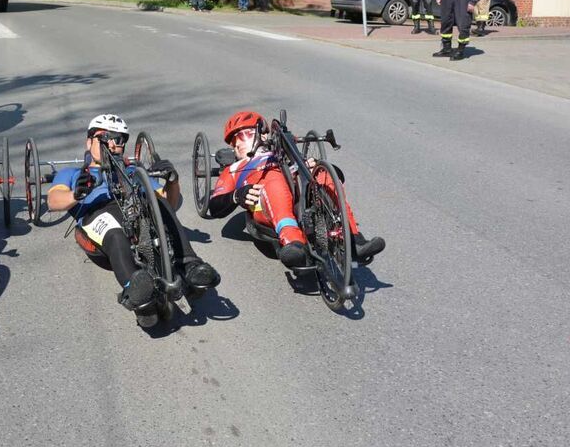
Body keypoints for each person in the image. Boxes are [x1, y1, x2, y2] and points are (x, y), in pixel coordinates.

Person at [46, 114, 220, 326]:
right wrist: (77, 194)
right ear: (89, 141)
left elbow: (169, 204)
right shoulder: (73, 173)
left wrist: (173, 181)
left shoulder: (133, 172)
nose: (112, 143)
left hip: (135, 209)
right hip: (97, 214)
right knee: (115, 233)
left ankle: (190, 265)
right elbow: (53, 201)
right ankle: (136, 288)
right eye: (105, 137)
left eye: (119, 140)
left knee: (160, 203)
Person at [206, 111, 385, 269]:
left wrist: (314, 168)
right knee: (273, 179)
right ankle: (293, 243)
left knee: (323, 173)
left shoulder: (281, 154)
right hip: (264, 203)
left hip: (298, 193)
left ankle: (354, 240)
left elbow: (339, 178)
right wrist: (237, 196)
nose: (240, 142)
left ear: (265, 135)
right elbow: (214, 206)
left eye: (247, 134)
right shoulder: (233, 169)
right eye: (236, 138)